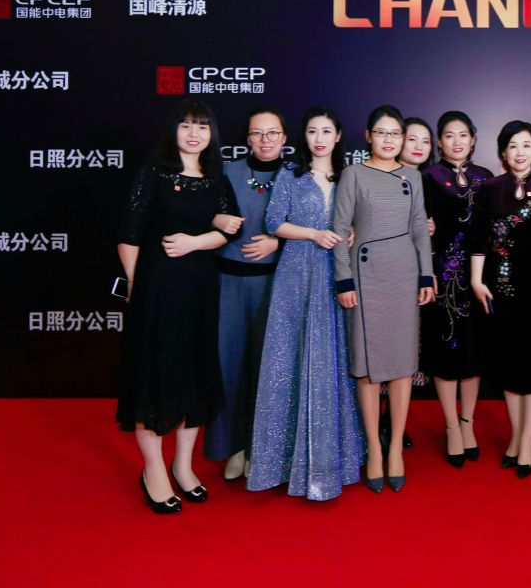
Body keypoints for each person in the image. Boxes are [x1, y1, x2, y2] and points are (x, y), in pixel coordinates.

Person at [116, 99, 241, 513]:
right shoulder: (154, 172)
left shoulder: (217, 178)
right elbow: (129, 233)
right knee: (154, 375)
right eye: (186, 125)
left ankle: (183, 466)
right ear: (174, 130)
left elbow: (230, 229)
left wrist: (195, 241)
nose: (194, 133)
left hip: (200, 289)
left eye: (202, 126)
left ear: (211, 134)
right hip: (156, 287)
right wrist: (136, 285)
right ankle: (153, 470)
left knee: (194, 373)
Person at [248, 107, 365, 501]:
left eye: (326, 131)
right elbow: (273, 223)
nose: (319, 138)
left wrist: (354, 230)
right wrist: (314, 233)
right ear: (304, 136)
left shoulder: (350, 176)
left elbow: (364, 220)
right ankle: (280, 462)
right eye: (313, 131)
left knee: (335, 359)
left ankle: (336, 460)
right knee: (290, 358)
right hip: (296, 275)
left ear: (338, 136)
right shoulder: (291, 174)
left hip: (337, 276)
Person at [334, 105, 435, 493]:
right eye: (382, 132)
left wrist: (426, 274)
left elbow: (419, 229)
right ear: (368, 136)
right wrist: (344, 281)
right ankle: (374, 449)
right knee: (367, 367)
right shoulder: (353, 174)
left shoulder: (413, 176)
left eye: (396, 133)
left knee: (402, 366)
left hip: (404, 277)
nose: (389, 140)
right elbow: (339, 230)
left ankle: (395, 450)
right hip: (366, 276)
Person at [470, 121, 531, 478]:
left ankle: (527, 441)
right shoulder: (489, 188)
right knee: (510, 364)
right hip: (502, 287)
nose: (520, 152)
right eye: (513, 145)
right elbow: (479, 237)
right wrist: (476, 280)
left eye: (527, 144)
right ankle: (516, 436)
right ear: (503, 152)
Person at [203, 106, 287, 482]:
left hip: (277, 285)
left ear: (285, 137)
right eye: (257, 133)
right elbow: (194, 211)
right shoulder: (227, 173)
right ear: (247, 138)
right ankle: (231, 447)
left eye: (273, 133)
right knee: (228, 367)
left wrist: (278, 244)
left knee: (268, 371)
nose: (265, 140)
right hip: (228, 284)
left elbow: (318, 227)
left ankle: (261, 450)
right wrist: (213, 218)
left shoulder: (297, 176)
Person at [420, 112, 494, 467]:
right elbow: (418, 228)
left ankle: (468, 423)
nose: (457, 141)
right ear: (439, 141)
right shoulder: (428, 177)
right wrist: (427, 270)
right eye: (449, 135)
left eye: (463, 135)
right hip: (443, 275)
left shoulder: (486, 177)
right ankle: (451, 425)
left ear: (473, 139)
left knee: (473, 351)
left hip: (480, 277)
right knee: (446, 350)